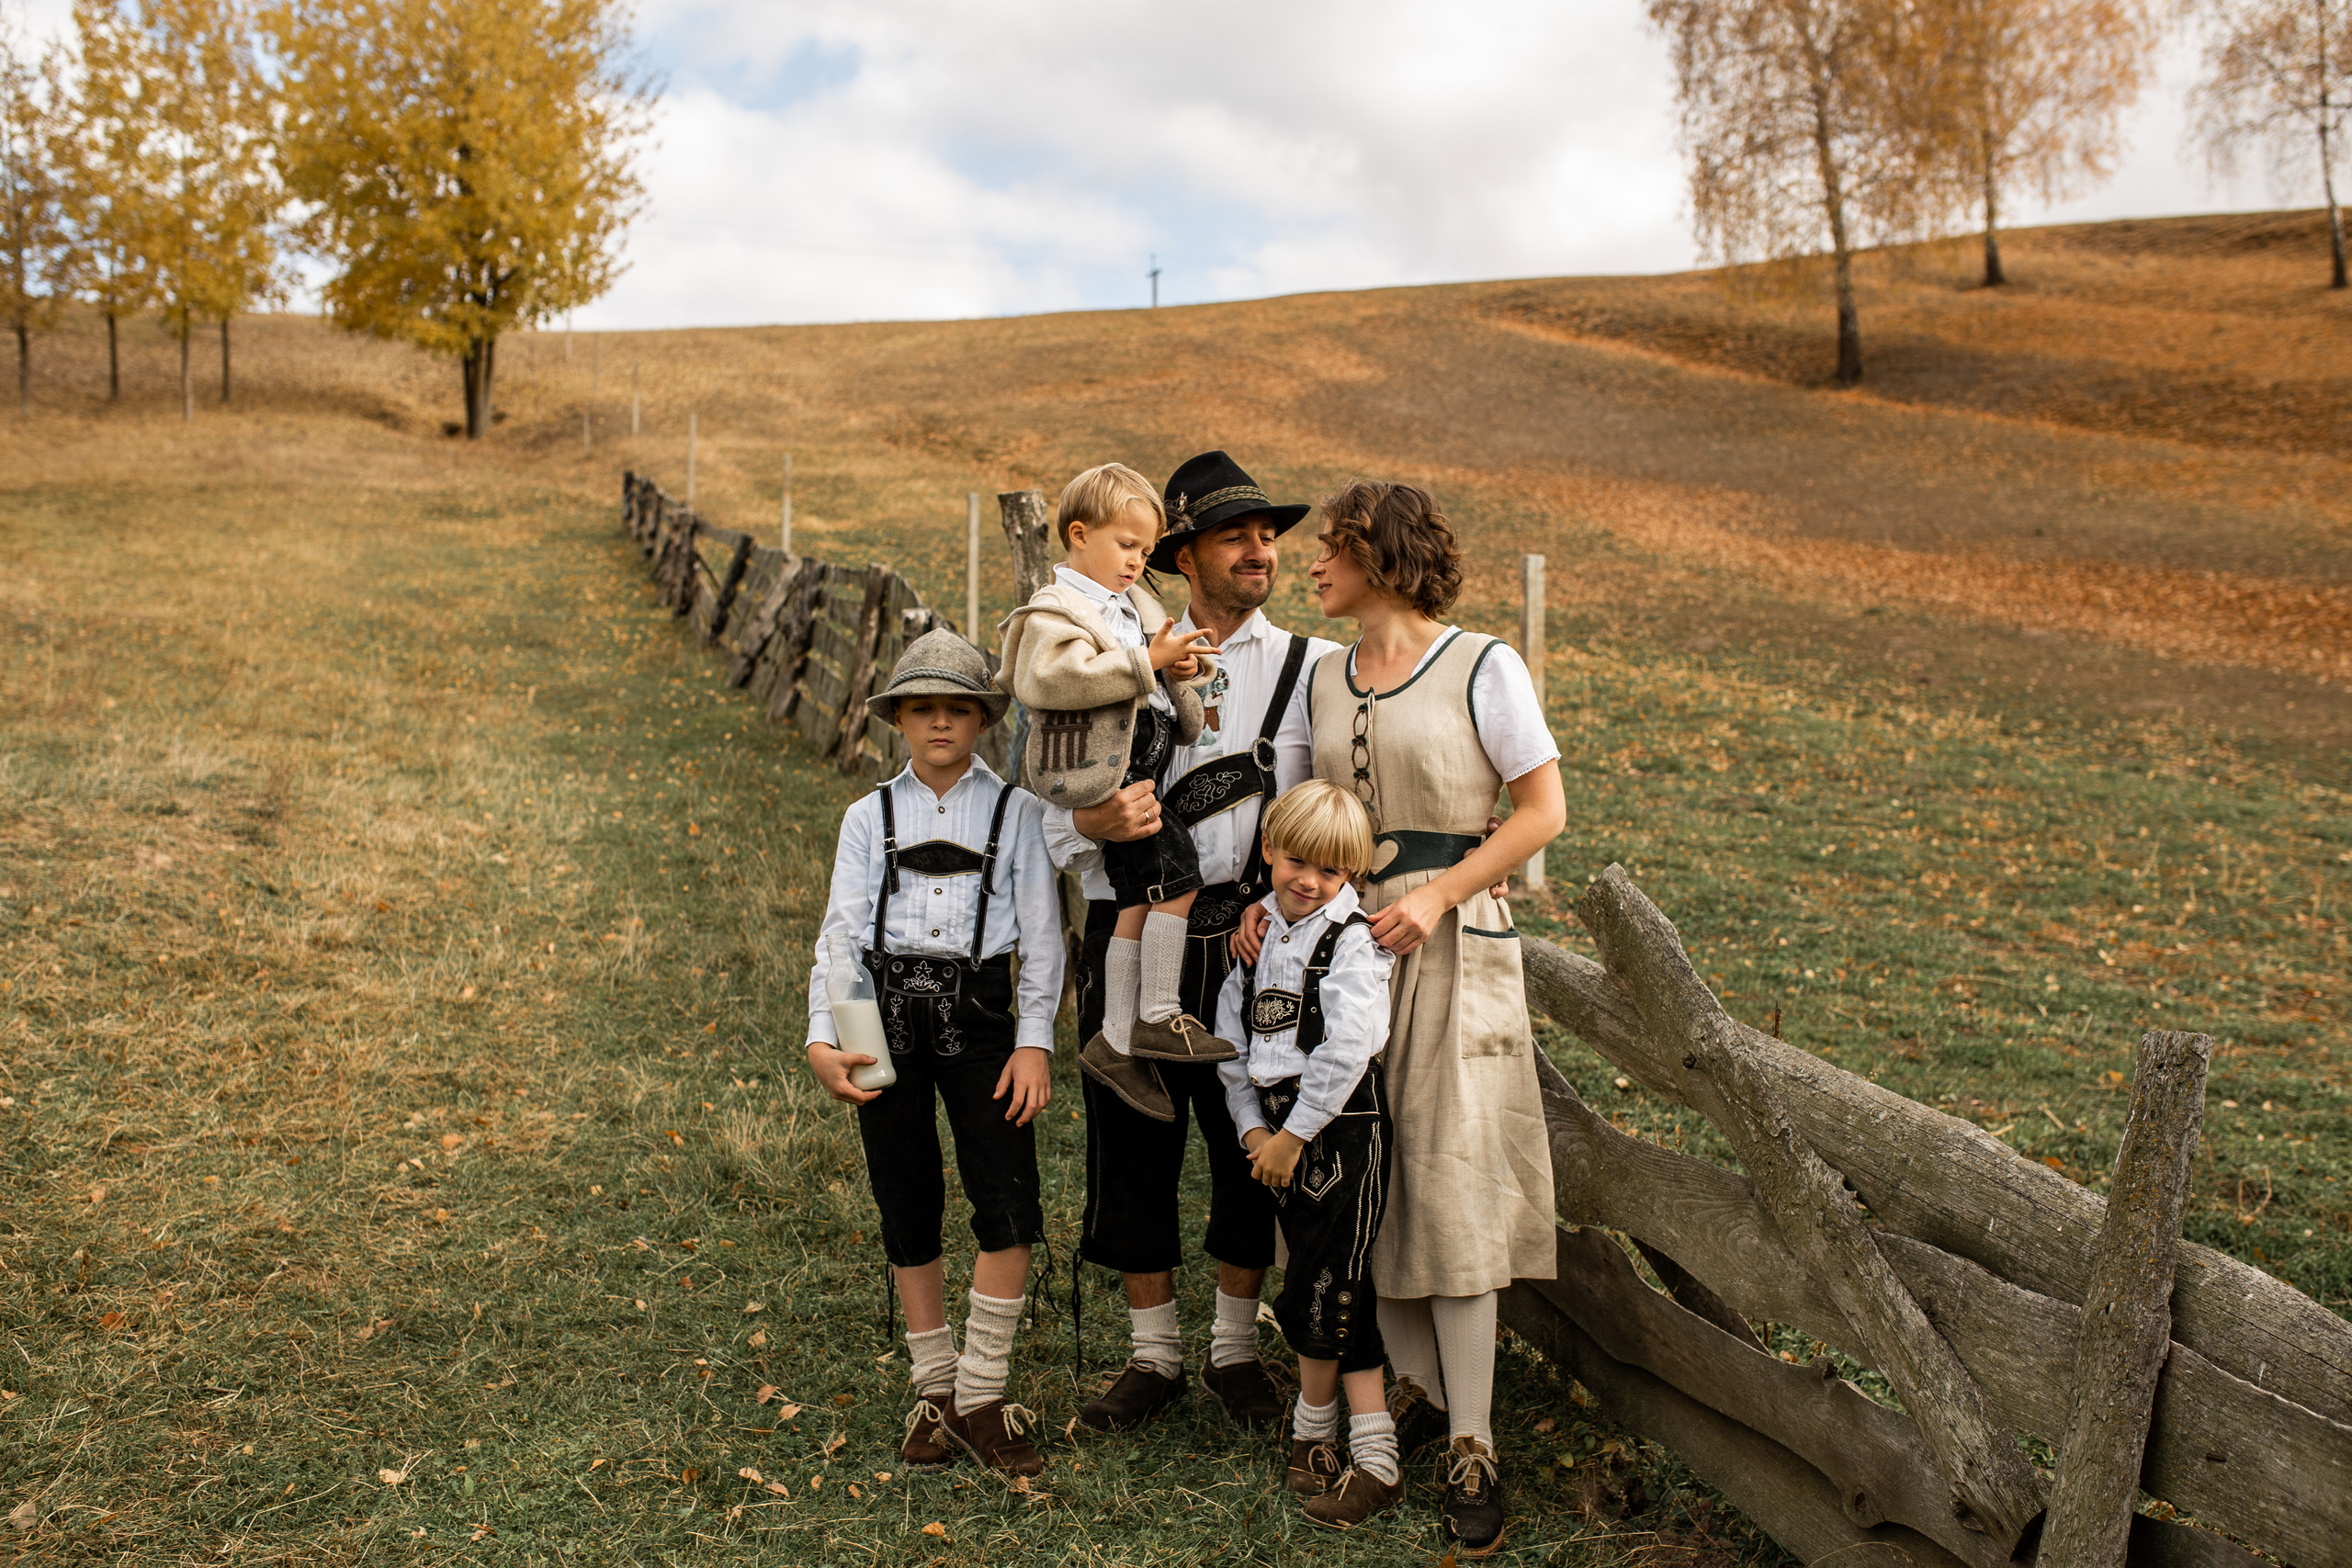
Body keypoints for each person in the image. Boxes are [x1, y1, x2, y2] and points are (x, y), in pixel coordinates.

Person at [1239, 479, 1566, 1558]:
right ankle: (1411, 1394)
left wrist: (1435, 894)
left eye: (1328, 549)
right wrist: (1270, 904)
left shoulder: (1484, 664)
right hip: (1342, 956)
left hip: (1452, 949)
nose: (1310, 567)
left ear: (1377, 555)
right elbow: (1289, 819)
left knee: (1454, 1180)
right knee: (1372, 1181)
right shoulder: (1321, 678)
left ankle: (1473, 1439)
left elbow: (1542, 811)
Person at [1042, 451, 1336, 1434]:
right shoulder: (1113, 648)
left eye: (1268, 536)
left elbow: (1346, 802)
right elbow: (1047, 780)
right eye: (1234, 536)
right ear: (1183, 554)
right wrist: (1083, 828)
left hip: (1252, 937)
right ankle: (1153, 1356)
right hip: (1125, 925)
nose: (1259, 551)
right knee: (1132, 1146)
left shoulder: (1309, 671)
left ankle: (1235, 1353)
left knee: (1246, 1142)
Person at [803, 629, 1065, 1478]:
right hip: (881, 1020)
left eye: (959, 708)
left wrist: (1033, 1042)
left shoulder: (1016, 811)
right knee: (906, 1195)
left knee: (1006, 1198)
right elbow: (840, 936)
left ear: (983, 719)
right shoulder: (866, 815)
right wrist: (823, 1033)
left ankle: (982, 1394)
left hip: (983, 1015)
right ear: (901, 719)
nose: (941, 723)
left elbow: (1045, 939)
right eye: (924, 708)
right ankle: (933, 1384)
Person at [997, 463, 1227, 1084]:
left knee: (1141, 895)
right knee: (1177, 882)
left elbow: (1153, 667)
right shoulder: (1056, 611)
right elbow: (1053, 678)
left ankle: (1117, 1035)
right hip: (1105, 771)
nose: (1136, 561)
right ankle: (1155, 1010)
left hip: (1139, 768)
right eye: (1127, 545)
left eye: (1146, 550)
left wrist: (1176, 672)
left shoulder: (1135, 604)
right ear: (1078, 533)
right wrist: (1146, 662)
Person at [1215, 780, 1403, 1529]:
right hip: (1277, 1129)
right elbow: (1235, 1046)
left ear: (1351, 873)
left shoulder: (1353, 938)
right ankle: (1327, 1438)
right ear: (1268, 849)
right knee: (1312, 1277)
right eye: (1296, 860)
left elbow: (1349, 1046)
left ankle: (1352, 1446)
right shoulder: (1261, 941)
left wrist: (1297, 1135)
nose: (1309, 880)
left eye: (1331, 871)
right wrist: (1254, 1130)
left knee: (1328, 1283)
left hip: (1339, 1128)